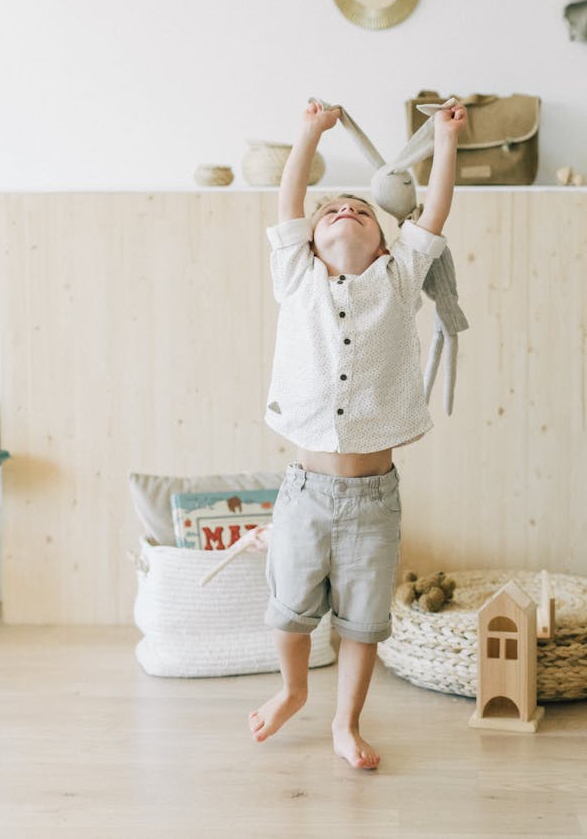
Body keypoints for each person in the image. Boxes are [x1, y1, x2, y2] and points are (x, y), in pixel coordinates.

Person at [249, 98, 467, 769]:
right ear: (312, 241)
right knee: (289, 612)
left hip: (374, 499)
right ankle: (291, 692)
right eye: (331, 211)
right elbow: (290, 204)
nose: (345, 211)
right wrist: (308, 131)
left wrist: (444, 139)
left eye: (362, 210)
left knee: (364, 624)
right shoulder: (297, 279)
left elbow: (433, 213)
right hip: (304, 490)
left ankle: (347, 724)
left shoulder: (399, 281)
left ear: (384, 240)